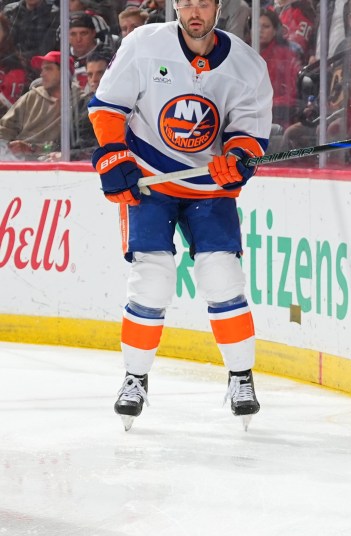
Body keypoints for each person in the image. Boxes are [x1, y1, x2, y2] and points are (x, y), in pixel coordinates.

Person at [87, 0, 273, 430]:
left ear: (218, 6)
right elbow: (108, 106)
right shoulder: (144, 44)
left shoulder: (247, 64)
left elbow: (248, 131)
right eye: (186, 1)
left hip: (207, 186)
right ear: (174, 5)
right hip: (150, 181)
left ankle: (241, 377)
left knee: (222, 274)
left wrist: (238, 158)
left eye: (203, 2)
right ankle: (135, 379)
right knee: (152, 278)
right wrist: (113, 154)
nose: (194, 11)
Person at [0, 50, 71, 159]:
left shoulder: (78, 102)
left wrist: (32, 148)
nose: (42, 74)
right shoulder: (31, 97)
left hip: (52, 161)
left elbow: (66, 148)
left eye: (48, 69)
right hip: (18, 160)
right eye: (42, 69)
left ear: (65, 72)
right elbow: (4, 128)